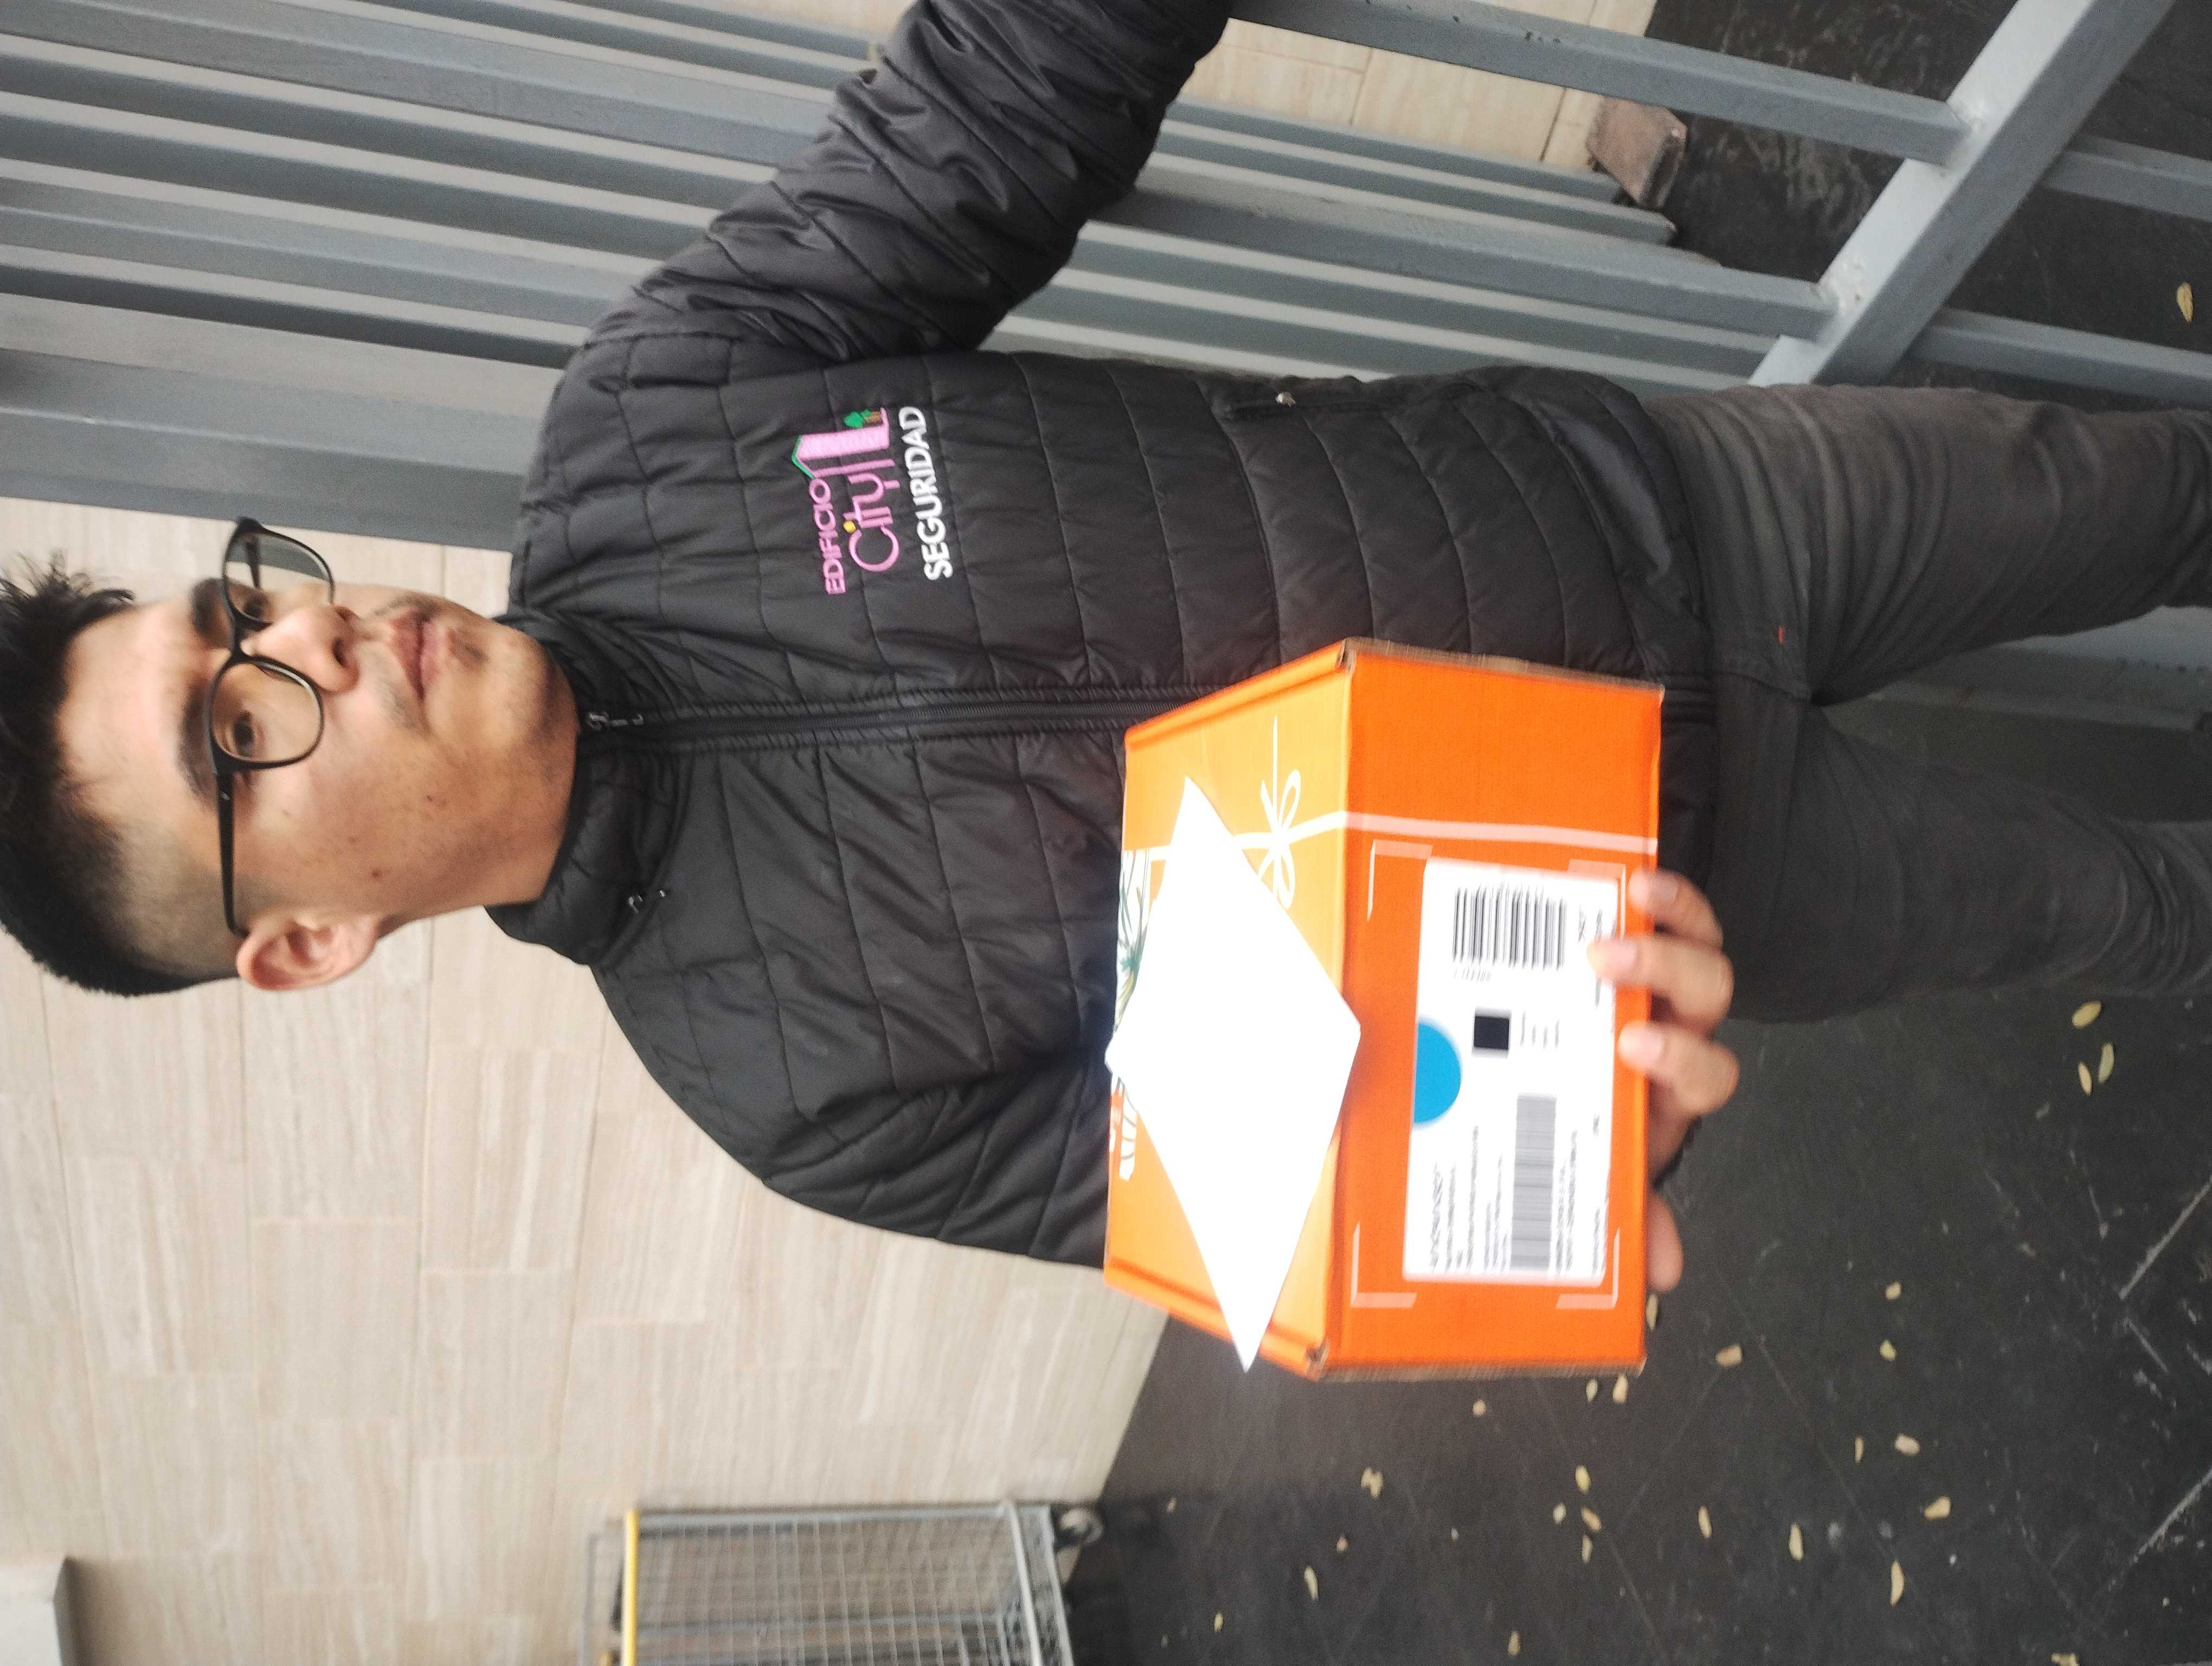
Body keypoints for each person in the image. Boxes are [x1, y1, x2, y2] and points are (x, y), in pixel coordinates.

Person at [4, 0, 2208, 1291]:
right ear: (300, 943)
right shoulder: (791, 1091)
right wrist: (1605, 1116)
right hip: (1704, 880)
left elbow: (974, 124)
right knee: (2123, 903)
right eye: (236, 725)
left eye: (244, 600)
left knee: (2144, 490)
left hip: (1670, 507)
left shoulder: (653, 423)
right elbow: (1310, 1201)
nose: (312, 633)